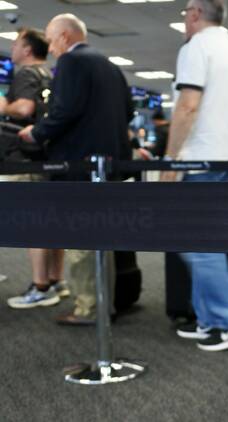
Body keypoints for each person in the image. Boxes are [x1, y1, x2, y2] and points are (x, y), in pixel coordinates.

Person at [18, 14, 132, 324]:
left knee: (82, 240)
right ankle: (101, 303)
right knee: (100, 238)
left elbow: (64, 110)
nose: (52, 49)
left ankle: (89, 309)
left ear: (66, 37)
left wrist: (37, 133)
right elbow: (129, 111)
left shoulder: (71, 62)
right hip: (108, 165)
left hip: (79, 164)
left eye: (53, 41)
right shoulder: (109, 65)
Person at [162, 0, 228, 351]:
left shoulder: (197, 46)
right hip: (225, 157)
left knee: (195, 242)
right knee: (206, 240)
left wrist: (171, 160)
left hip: (197, 159)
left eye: (186, 12)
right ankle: (210, 321)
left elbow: (188, 104)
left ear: (195, 14)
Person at [0, 28, 69, 309]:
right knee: (48, 223)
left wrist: (3, 105)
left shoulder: (27, 75)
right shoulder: (47, 73)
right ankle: (55, 280)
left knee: (31, 225)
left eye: (16, 44)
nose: (13, 49)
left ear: (27, 49)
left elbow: (25, 108)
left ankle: (41, 286)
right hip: (43, 158)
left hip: (23, 159)